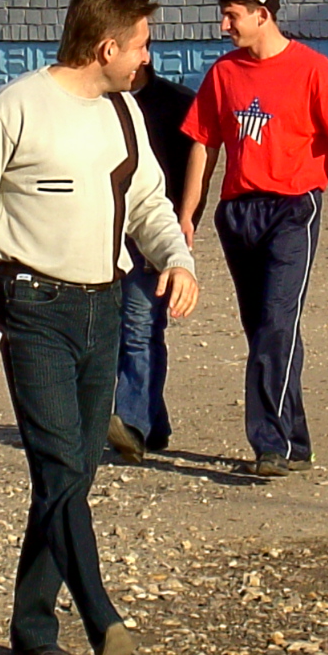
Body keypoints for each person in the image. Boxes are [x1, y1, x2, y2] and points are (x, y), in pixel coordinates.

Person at [0, 0, 199, 655]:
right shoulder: (15, 107)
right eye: (140, 45)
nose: (147, 57)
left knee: (73, 473)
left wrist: (178, 259)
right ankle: (102, 618)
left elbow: (148, 202)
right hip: (34, 308)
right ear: (106, 47)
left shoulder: (125, 113)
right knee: (58, 466)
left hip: (103, 307)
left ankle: (30, 624)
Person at [177, 0, 328, 478]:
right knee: (263, 329)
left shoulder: (312, 69)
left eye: (232, 15)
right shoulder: (223, 73)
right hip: (239, 213)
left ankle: (269, 443)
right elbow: (204, 144)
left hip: (293, 209)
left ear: (262, 15)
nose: (224, 24)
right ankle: (296, 441)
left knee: (276, 325)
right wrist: (187, 215)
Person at [108, 60, 198, 465]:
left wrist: (182, 227)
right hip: (105, 233)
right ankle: (151, 422)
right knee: (116, 329)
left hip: (153, 232)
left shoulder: (175, 104)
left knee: (140, 327)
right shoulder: (96, 102)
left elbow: (194, 169)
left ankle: (132, 425)